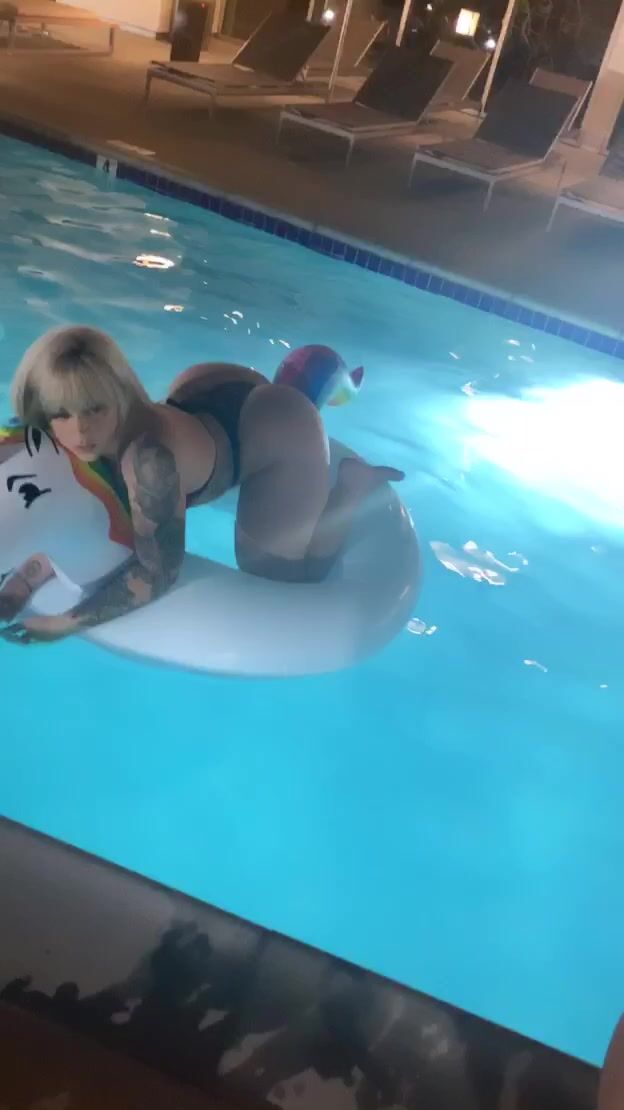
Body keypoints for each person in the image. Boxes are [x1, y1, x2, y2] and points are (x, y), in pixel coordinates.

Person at [0, 325, 403, 644]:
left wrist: (64, 623)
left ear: (118, 396)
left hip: (281, 427)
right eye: (62, 413)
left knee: (286, 576)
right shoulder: (50, 435)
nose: (80, 431)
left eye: (94, 409)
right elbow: (67, 506)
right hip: (209, 388)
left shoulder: (148, 461)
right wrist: (18, 585)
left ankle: (352, 486)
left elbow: (157, 573)